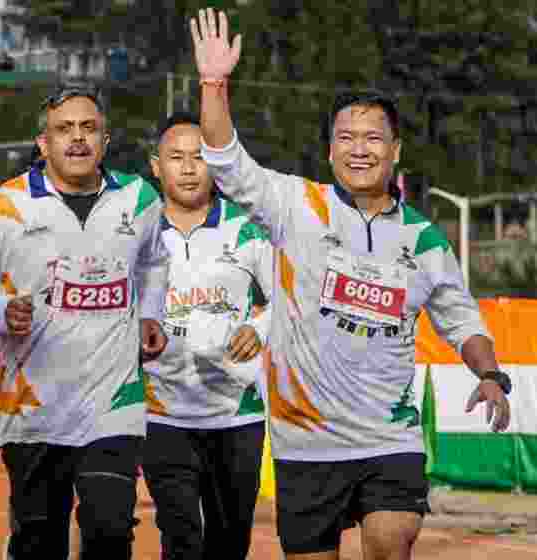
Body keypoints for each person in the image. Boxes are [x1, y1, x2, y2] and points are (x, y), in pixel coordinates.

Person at [189, 9, 512, 560]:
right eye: (346, 138)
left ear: (395, 151)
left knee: (391, 544)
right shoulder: (295, 205)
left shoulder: (426, 240)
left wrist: (490, 375)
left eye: (373, 139)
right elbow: (225, 159)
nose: (359, 149)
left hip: (391, 439)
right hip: (306, 442)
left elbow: (462, 321)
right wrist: (214, 83)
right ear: (330, 149)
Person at [0, 85, 169, 560]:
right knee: (39, 543)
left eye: (88, 128)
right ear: (42, 142)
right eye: (64, 129)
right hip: (34, 411)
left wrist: (151, 313)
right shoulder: (5, 206)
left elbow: (154, 262)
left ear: (106, 140)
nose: (77, 139)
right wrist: (1, 311)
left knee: (109, 529)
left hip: (114, 404)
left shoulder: (139, 199)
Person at [140, 112, 274, 560]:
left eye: (199, 156)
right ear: (156, 166)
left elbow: (291, 297)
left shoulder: (248, 227)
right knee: (181, 540)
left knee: (228, 542)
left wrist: (258, 328)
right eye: (176, 157)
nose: (189, 167)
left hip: (236, 418)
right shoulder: (134, 232)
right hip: (162, 414)